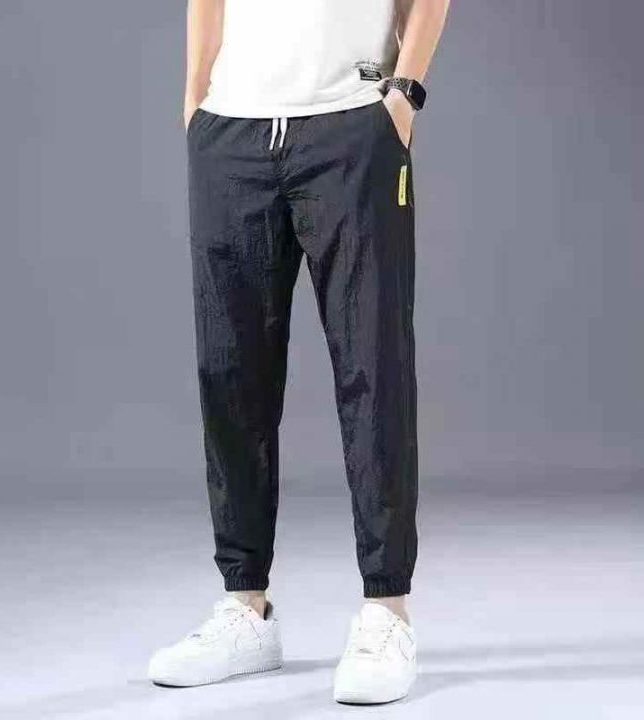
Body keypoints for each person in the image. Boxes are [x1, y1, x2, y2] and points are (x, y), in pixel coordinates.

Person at [148, 0, 450, 704]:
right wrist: (195, 100)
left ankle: (387, 610)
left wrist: (403, 95)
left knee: (373, 365)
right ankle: (245, 608)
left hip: (351, 126)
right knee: (231, 374)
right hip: (230, 133)